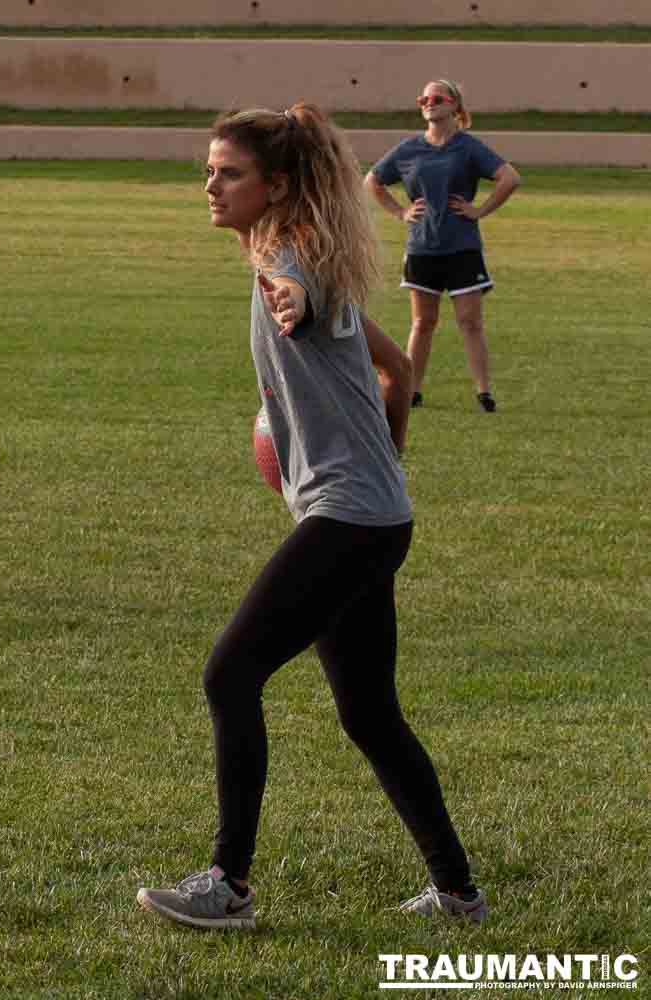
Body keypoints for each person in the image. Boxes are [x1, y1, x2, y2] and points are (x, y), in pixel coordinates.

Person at [136, 102, 487, 930]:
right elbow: (398, 370)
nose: (210, 187)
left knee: (229, 674)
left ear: (278, 185)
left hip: (350, 520)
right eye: (208, 171)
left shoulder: (294, 265)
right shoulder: (288, 257)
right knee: (368, 713)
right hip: (370, 515)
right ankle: (457, 894)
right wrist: (385, 463)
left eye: (229, 174)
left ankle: (227, 884)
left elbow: (308, 295)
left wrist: (294, 299)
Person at [364, 78, 521, 412]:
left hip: (462, 247)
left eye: (436, 98)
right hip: (422, 248)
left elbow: (510, 178)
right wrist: (400, 212)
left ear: (454, 105)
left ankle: (484, 393)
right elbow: (373, 181)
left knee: (470, 322)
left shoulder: (468, 147)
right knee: (423, 322)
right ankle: (412, 391)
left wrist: (479, 210)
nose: (429, 104)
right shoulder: (409, 149)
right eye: (423, 99)